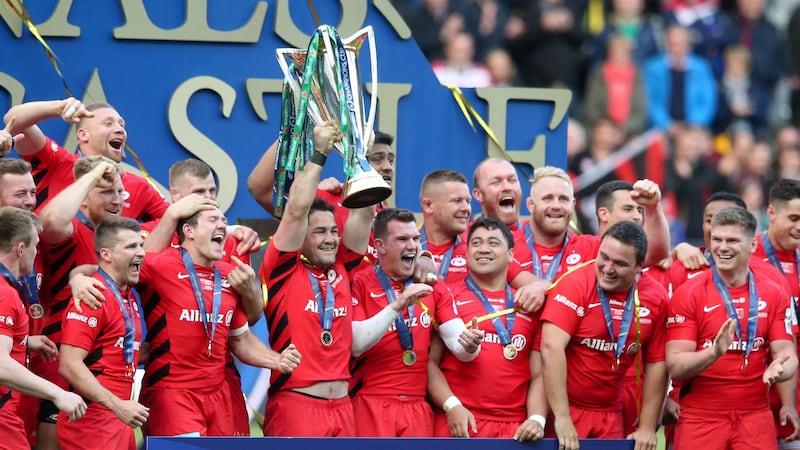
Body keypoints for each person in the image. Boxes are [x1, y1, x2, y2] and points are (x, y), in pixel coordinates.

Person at [136, 205, 300, 437]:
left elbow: (241, 339)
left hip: (218, 394)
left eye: (224, 220)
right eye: (213, 220)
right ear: (189, 231)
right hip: (173, 392)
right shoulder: (160, 265)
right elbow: (122, 268)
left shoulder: (229, 274)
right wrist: (82, 277)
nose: (222, 225)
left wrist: (277, 360)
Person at [258, 121, 374, 436]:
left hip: (343, 408)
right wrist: (320, 153)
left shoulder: (343, 267)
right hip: (296, 405)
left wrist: (360, 157)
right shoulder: (282, 268)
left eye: (334, 231)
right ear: (301, 236)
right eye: (320, 231)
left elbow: (364, 212)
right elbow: (296, 211)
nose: (331, 239)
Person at [666, 207, 799, 449]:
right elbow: (675, 366)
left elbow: (787, 355)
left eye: (732, 241)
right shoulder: (689, 293)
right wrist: (713, 353)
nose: (722, 247)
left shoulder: (774, 292)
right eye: (717, 240)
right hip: (701, 417)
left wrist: (780, 369)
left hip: (755, 415)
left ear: (752, 246)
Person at [349, 207, 483, 437]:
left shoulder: (432, 285)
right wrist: (397, 306)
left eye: (416, 239)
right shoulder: (360, 282)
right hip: (370, 401)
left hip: (417, 406)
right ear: (380, 246)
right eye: (402, 239)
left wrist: (471, 345)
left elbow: (460, 347)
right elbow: (356, 344)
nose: (412, 246)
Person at [541, 221, 669, 449]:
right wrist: (562, 417)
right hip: (567, 408)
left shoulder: (656, 298)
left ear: (639, 267)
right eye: (604, 257)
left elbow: (658, 363)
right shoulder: (575, 284)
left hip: (611, 412)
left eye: (620, 263)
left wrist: (647, 427)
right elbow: (551, 347)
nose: (608, 268)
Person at [427, 218, 546, 441]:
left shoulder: (529, 303)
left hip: (516, 428)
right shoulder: (448, 296)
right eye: (476, 243)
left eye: (493, 242)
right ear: (466, 253)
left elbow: (539, 373)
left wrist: (537, 419)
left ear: (511, 255)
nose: (483, 249)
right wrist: (451, 405)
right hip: (460, 422)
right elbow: (429, 363)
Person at [34, 156, 124, 445]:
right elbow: (49, 222)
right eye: (107, 192)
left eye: (120, 192)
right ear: (83, 197)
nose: (117, 200)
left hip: (102, 368)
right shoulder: (73, 229)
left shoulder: (117, 242)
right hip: (61, 359)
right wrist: (93, 176)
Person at [57, 217, 149, 449]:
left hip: (119, 416)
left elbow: (116, 350)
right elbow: (69, 364)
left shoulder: (127, 294)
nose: (141, 253)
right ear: (107, 254)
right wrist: (117, 405)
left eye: (141, 245)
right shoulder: (92, 296)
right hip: (93, 421)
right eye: (131, 246)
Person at [0, 207, 86, 448]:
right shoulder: (4, 294)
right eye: (36, 246)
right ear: (20, 249)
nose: (37, 252)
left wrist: (23, 342)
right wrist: (57, 393)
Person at [4, 98, 169, 221]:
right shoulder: (56, 161)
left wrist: (139, 235)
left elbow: (174, 223)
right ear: (83, 135)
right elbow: (13, 121)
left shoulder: (139, 186)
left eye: (121, 125)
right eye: (108, 124)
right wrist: (58, 107)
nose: (120, 130)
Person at [418, 169, 472, 282]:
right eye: (457, 201)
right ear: (428, 205)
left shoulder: (475, 249)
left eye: (468, 201)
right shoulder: (406, 248)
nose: (466, 208)